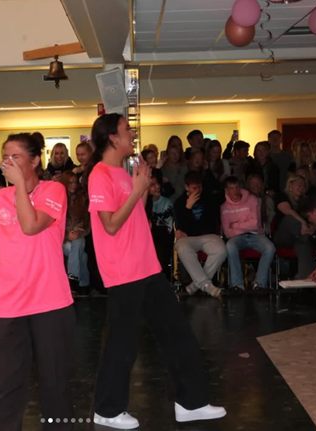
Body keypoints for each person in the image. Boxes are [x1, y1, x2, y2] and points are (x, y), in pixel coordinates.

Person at [86, 114, 225, 428]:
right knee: (122, 342)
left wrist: (143, 189)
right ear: (112, 138)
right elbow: (110, 225)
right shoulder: (100, 175)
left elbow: (135, 219)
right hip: (123, 271)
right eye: (126, 129)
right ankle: (107, 410)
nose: (132, 133)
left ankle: (191, 402)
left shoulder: (124, 174)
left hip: (146, 266)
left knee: (177, 333)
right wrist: (138, 190)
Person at [0, 132, 75, 431]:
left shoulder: (54, 191)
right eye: (5, 157)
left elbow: (31, 225)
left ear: (34, 161)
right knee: (6, 382)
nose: (8, 162)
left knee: (54, 382)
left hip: (50, 302)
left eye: (15, 157)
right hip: (8, 303)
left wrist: (19, 185)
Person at [174, 171, 226, 297]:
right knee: (182, 248)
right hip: (188, 238)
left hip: (208, 236)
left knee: (221, 250)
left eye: (200, 187)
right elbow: (181, 228)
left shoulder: (208, 197)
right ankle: (206, 285)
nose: (198, 190)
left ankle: (196, 285)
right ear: (186, 187)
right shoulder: (179, 202)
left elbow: (221, 193)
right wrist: (187, 208)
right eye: (194, 188)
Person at [221, 176, 275, 290]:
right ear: (227, 190)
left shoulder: (252, 199)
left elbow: (254, 223)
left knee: (270, 248)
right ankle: (237, 284)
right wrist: (245, 225)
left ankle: (259, 283)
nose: (235, 191)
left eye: (237, 187)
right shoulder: (224, 207)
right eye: (231, 188)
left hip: (256, 234)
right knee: (230, 246)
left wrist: (235, 225)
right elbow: (227, 232)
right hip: (237, 237)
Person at [273, 175, 316, 279]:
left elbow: (314, 219)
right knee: (289, 218)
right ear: (290, 185)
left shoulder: (305, 202)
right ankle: (308, 237)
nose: (302, 187)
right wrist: (303, 223)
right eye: (299, 184)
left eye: (304, 186)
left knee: (303, 244)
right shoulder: (281, 196)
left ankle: (303, 278)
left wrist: (312, 228)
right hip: (283, 236)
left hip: (299, 237)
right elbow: (287, 210)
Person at [60, 171, 90, 294]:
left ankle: (73, 278)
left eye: (75, 183)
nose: (73, 185)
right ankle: (83, 283)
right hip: (62, 237)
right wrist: (66, 234)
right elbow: (55, 222)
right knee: (81, 254)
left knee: (77, 245)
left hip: (79, 235)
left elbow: (87, 222)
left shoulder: (82, 199)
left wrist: (80, 231)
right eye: (70, 183)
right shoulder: (59, 199)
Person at [146, 175, 174, 276]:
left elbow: (168, 228)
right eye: (152, 185)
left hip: (163, 238)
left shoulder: (167, 203)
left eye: (157, 183)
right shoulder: (143, 204)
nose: (157, 186)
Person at [268, 130, 293, 196]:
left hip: (285, 190)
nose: (275, 139)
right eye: (272, 137)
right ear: (269, 140)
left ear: (281, 140)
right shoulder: (265, 156)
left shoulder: (288, 157)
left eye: (277, 137)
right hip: (269, 191)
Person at [161, 136, 185, 202]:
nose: (175, 155)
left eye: (177, 153)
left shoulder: (184, 167)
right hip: (168, 201)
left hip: (182, 200)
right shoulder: (163, 168)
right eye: (172, 153)